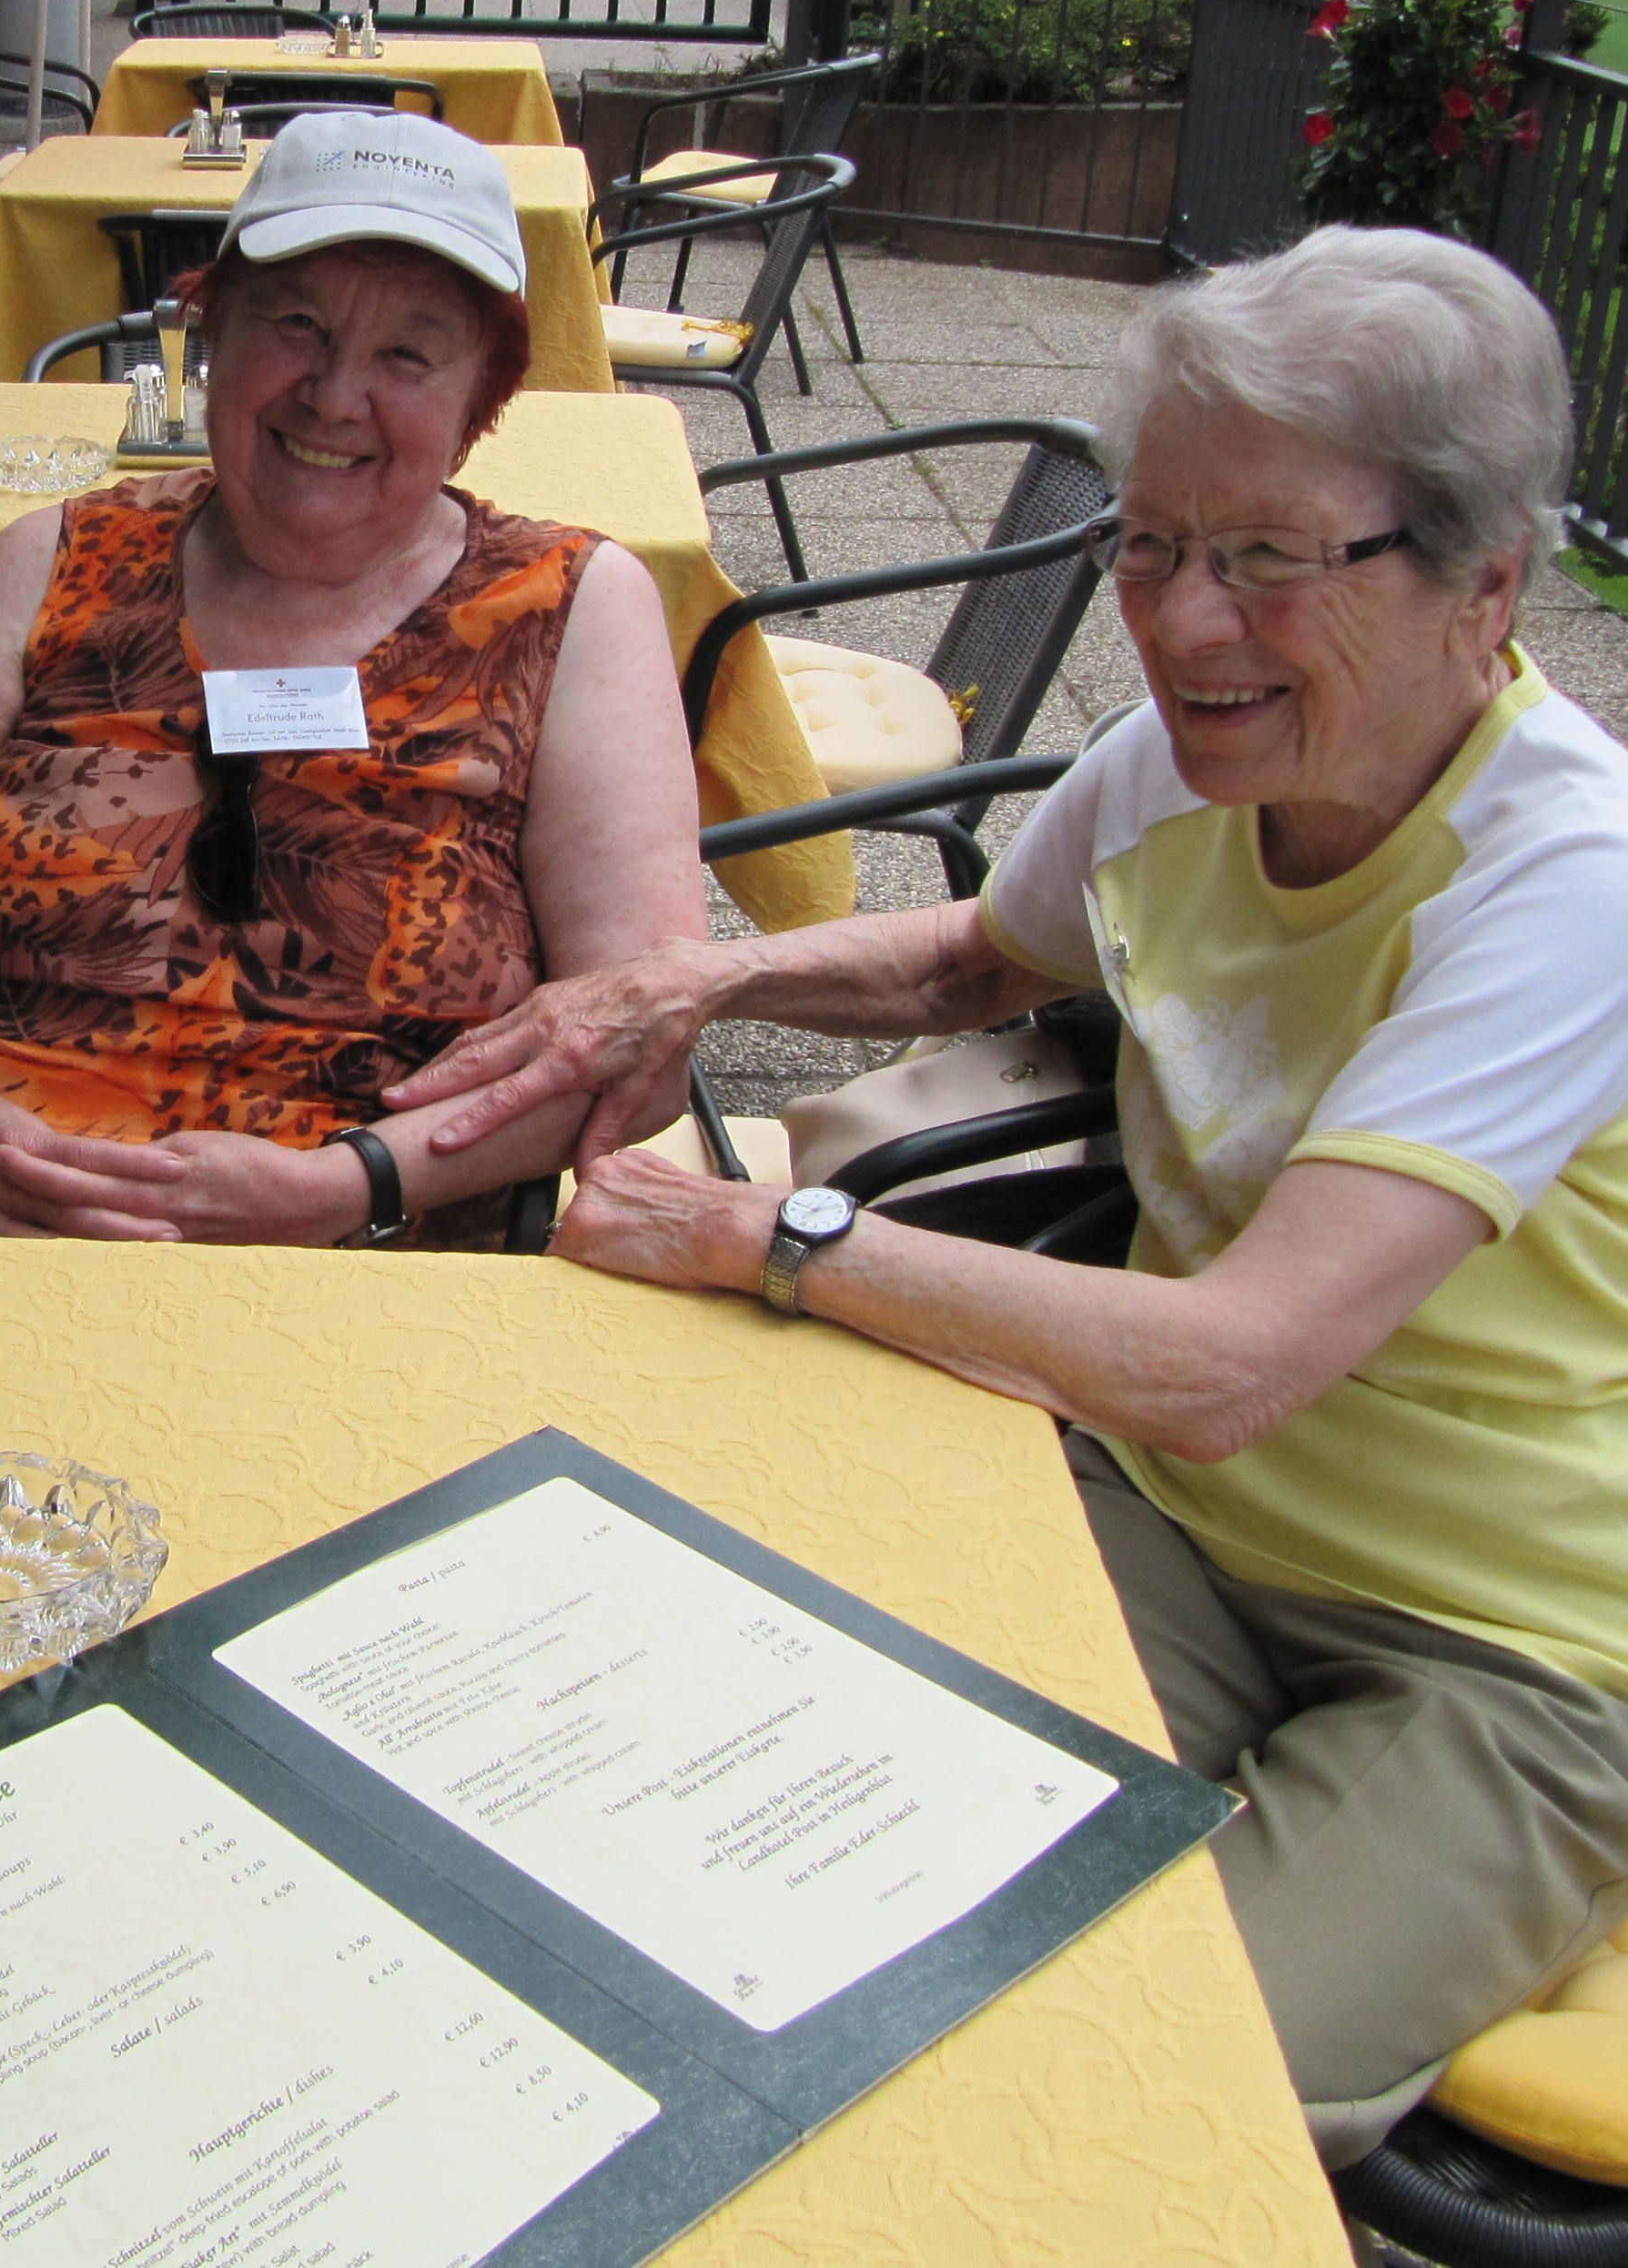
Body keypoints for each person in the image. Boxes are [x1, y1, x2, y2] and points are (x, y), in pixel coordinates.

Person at [389, 224, 1628, 2162]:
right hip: (1168, 1518)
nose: (1180, 622)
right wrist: (693, 974)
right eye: (1147, 544)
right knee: (753, 1853)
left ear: (1487, 583)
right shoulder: (1185, 761)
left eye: (1268, 559)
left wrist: (774, 1234)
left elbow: (1233, 1362)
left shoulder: (1568, 887)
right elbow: (975, 964)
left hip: (1505, 1644)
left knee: (1127, 2101)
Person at [0, 113, 700, 1246]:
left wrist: (348, 1185)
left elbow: (636, 1046)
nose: (334, 394)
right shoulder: (55, 556)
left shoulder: (569, 606)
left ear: (475, 406)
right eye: (294, 325)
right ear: (212, 332)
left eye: (407, 353)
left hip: (369, 1242)